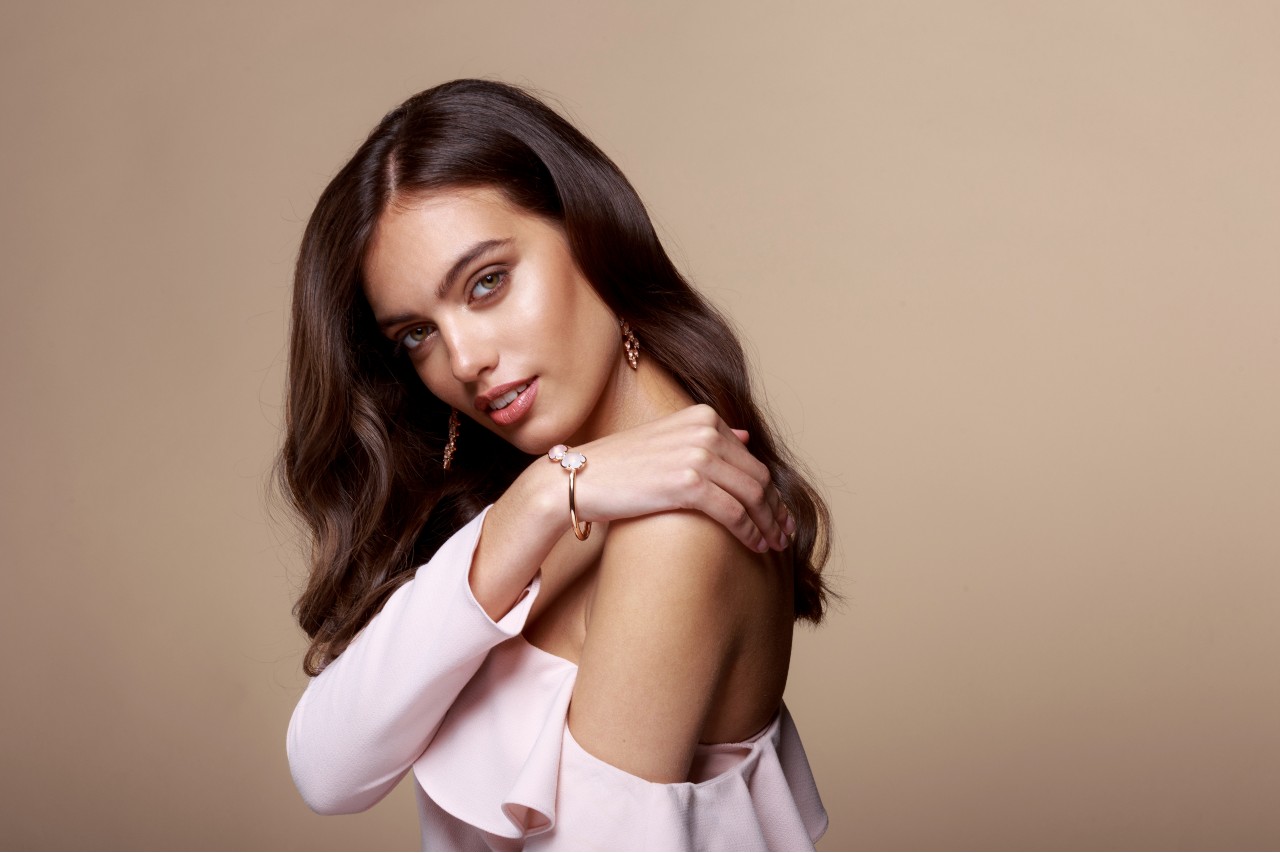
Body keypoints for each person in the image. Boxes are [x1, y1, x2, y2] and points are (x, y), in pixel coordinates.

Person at [281, 79, 832, 851]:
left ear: (589, 231)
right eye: (416, 334)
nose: (465, 360)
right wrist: (540, 497)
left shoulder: (674, 527)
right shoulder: (540, 492)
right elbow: (327, 769)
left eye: (487, 282)